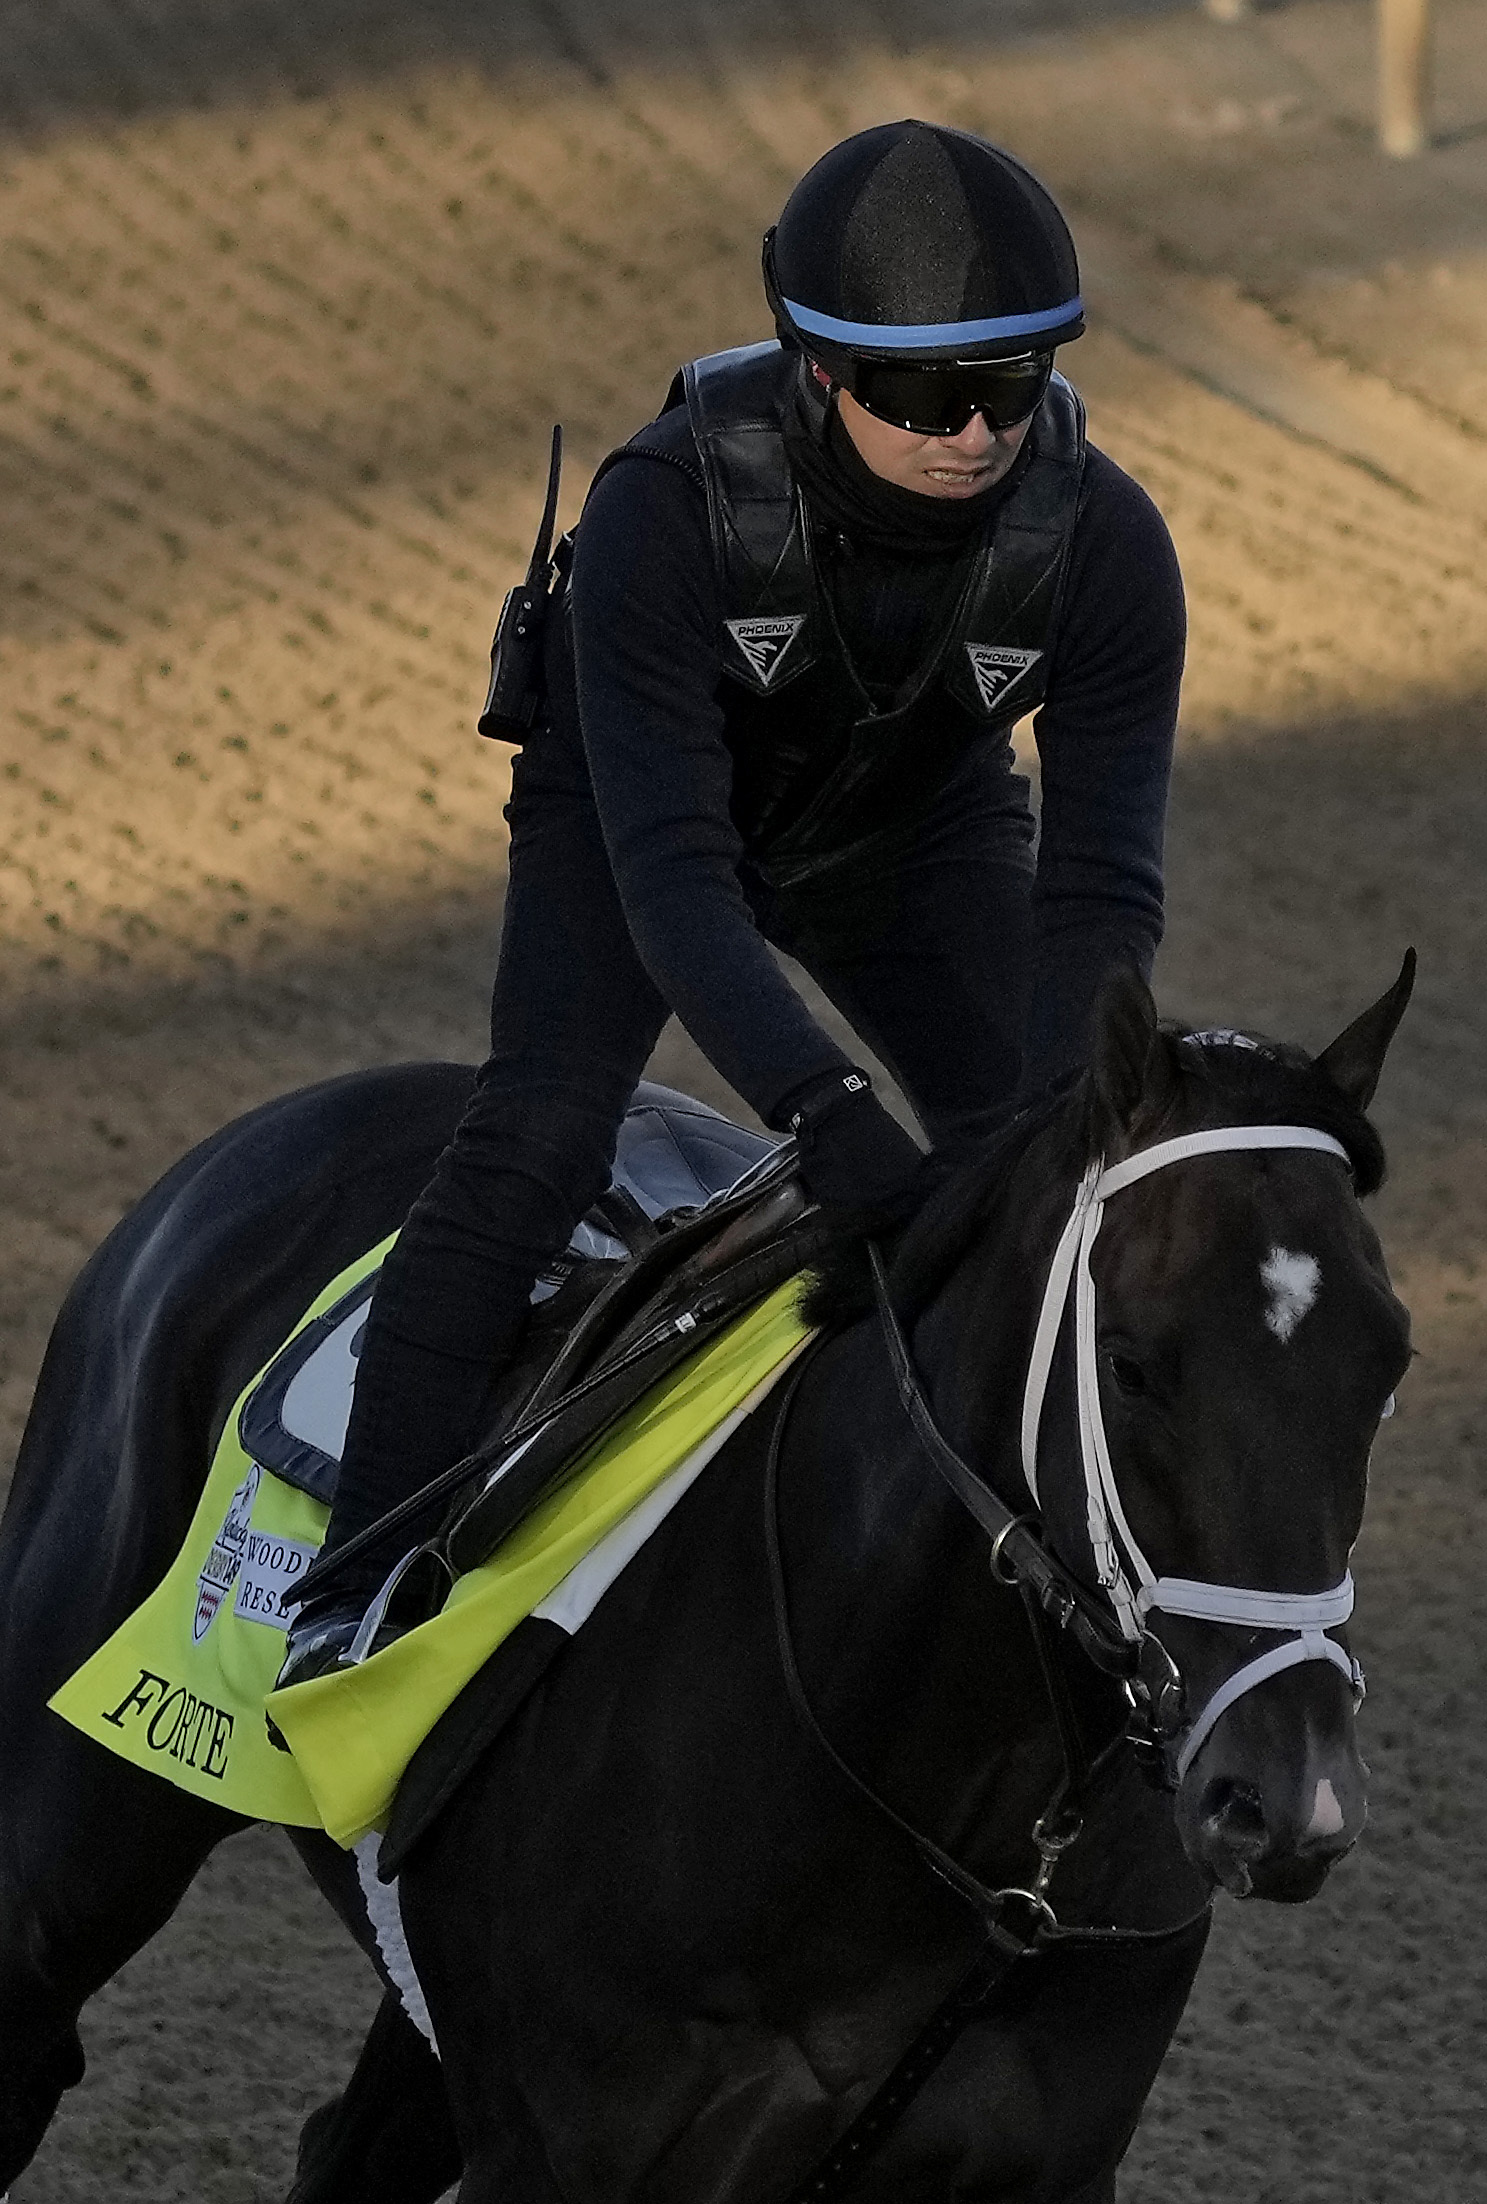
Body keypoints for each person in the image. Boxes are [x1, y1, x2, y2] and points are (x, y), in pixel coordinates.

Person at [278, 118, 1188, 1672]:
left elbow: (1100, 887)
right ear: (817, 373)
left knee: (1048, 1186)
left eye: (1011, 386)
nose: (971, 432)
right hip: (635, 817)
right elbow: (677, 880)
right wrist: (826, 1115)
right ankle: (349, 1591)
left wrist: (1051, 1132)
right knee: (536, 1142)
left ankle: (1075, 1585)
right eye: (917, 393)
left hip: (917, 823)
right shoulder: (657, 512)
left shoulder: (1104, 543)